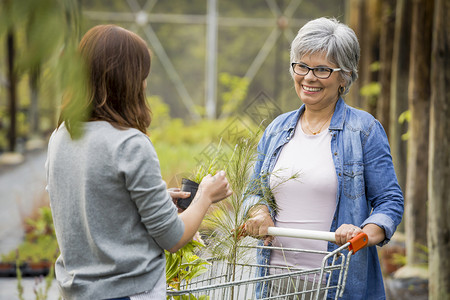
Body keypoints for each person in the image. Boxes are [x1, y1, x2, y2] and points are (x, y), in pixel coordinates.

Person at [45, 24, 232, 300]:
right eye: (143, 75)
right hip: (127, 293)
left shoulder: (61, 135)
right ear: (127, 80)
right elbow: (174, 238)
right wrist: (205, 195)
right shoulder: (130, 143)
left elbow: (88, 205)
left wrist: (145, 200)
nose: (145, 83)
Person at [244, 17, 404, 299]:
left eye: (322, 69)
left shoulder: (364, 130)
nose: (308, 77)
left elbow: (389, 202)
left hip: (336, 284)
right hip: (274, 283)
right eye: (302, 66)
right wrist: (258, 211)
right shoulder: (276, 129)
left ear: (345, 76)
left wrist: (362, 232)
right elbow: (254, 189)